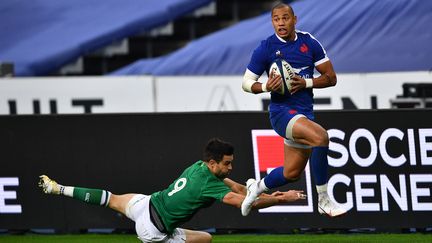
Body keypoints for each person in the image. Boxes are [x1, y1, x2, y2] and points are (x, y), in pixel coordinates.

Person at [39, 138, 306, 243]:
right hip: (154, 230)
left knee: (109, 198)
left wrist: (275, 195)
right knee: (206, 239)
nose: (231, 166)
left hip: (145, 204)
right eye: (227, 163)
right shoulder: (209, 184)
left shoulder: (200, 168)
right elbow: (245, 203)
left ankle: (58, 188)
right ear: (213, 163)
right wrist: (285, 199)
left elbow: (238, 189)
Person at [241, 2, 347, 217]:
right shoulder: (266, 48)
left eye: (285, 18)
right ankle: (324, 200)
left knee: (291, 173)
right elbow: (246, 83)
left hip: (304, 113)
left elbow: (331, 78)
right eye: (276, 19)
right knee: (320, 137)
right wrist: (264, 86)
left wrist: (305, 83)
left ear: (294, 19)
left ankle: (257, 187)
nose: (281, 23)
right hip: (281, 112)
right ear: (272, 22)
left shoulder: (309, 42)